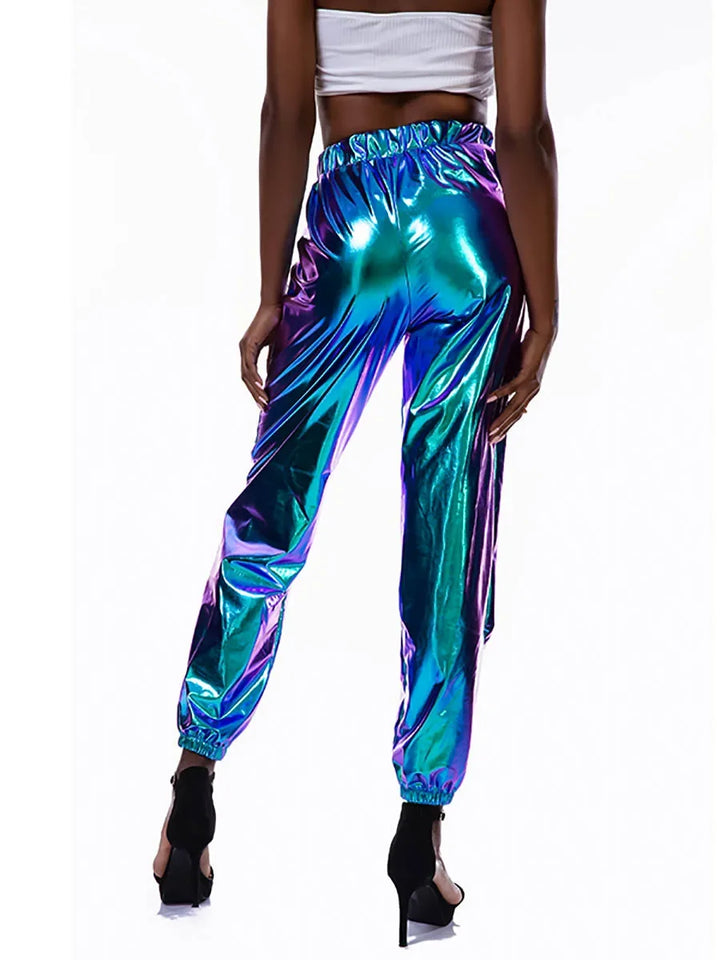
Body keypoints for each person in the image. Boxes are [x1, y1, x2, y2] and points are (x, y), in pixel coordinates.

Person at [152, 0, 558, 945]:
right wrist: (547, 309)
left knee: (275, 508)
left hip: (348, 226)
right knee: (448, 530)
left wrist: (269, 294)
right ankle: (420, 833)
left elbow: (285, 113)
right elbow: (524, 133)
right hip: (467, 228)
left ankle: (195, 778)